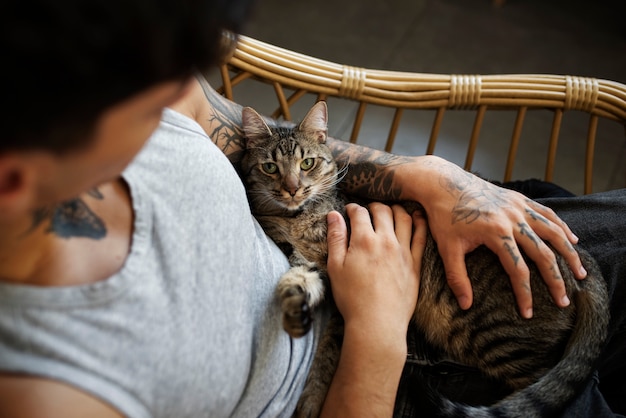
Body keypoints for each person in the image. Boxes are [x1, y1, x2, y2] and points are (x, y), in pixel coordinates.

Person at [0, 0, 623, 416]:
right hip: (404, 373)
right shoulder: (52, 389)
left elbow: (237, 126)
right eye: (144, 113)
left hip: (395, 253)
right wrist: (380, 327)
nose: (171, 107)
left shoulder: (86, 74)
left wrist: (422, 174)